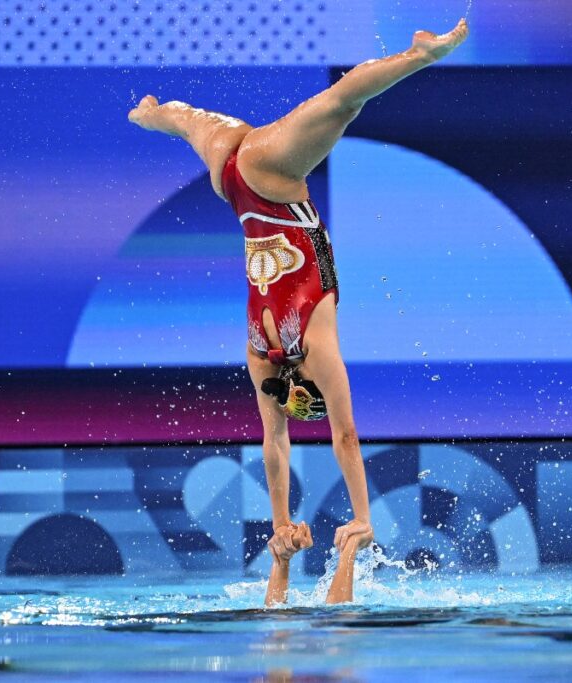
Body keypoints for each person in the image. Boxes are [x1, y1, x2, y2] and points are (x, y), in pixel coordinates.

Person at [129, 19, 469, 605]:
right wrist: (279, 528)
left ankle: (420, 56)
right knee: (192, 123)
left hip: (271, 178)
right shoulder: (261, 354)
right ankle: (152, 113)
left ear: (306, 384)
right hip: (232, 182)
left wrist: (363, 518)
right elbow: (274, 441)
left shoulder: (315, 344)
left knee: (342, 103)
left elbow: (345, 434)